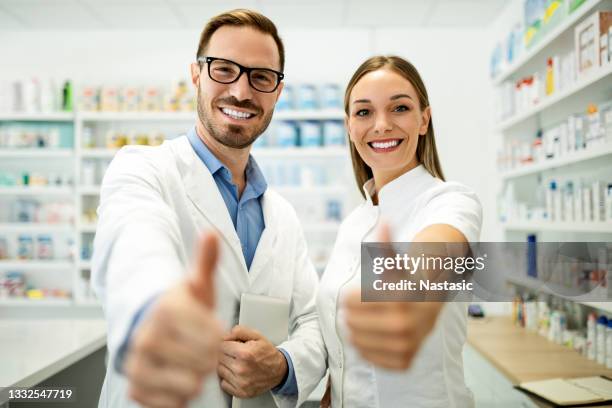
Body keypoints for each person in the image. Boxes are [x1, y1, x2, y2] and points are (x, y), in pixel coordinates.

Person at [91, 9, 326, 408]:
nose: (241, 91)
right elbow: (135, 244)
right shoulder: (143, 170)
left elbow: (311, 320)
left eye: (261, 77)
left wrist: (284, 365)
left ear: (277, 92)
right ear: (196, 75)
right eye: (223, 70)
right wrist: (158, 311)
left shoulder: (282, 215)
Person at [317, 56, 482, 407]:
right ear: (349, 126)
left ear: (424, 119)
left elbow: (439, 251)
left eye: (400, 108)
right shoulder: (352, 223)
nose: (381, 125)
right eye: (364, 112)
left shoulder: (451, 201)